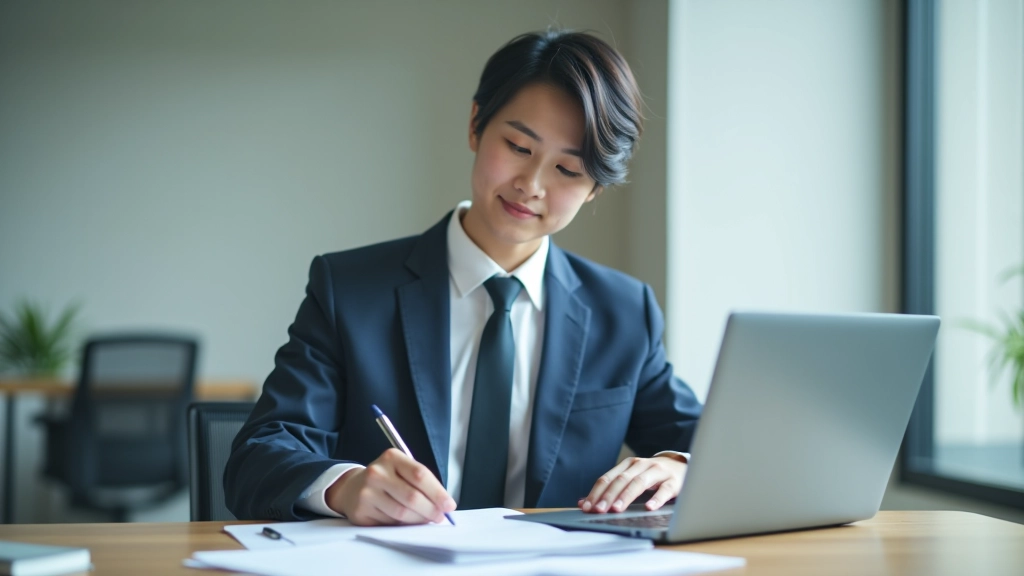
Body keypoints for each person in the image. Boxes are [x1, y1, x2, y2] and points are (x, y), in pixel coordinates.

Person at [224, 29, 702, 526]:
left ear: (595, 189)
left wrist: (680, 467)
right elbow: (259, 455)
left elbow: (713, 442)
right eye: (518, 146)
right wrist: (345, 487)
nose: (531, 185)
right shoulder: (348, 289)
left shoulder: (623, 310)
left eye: (567, 170)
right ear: (476, 125)